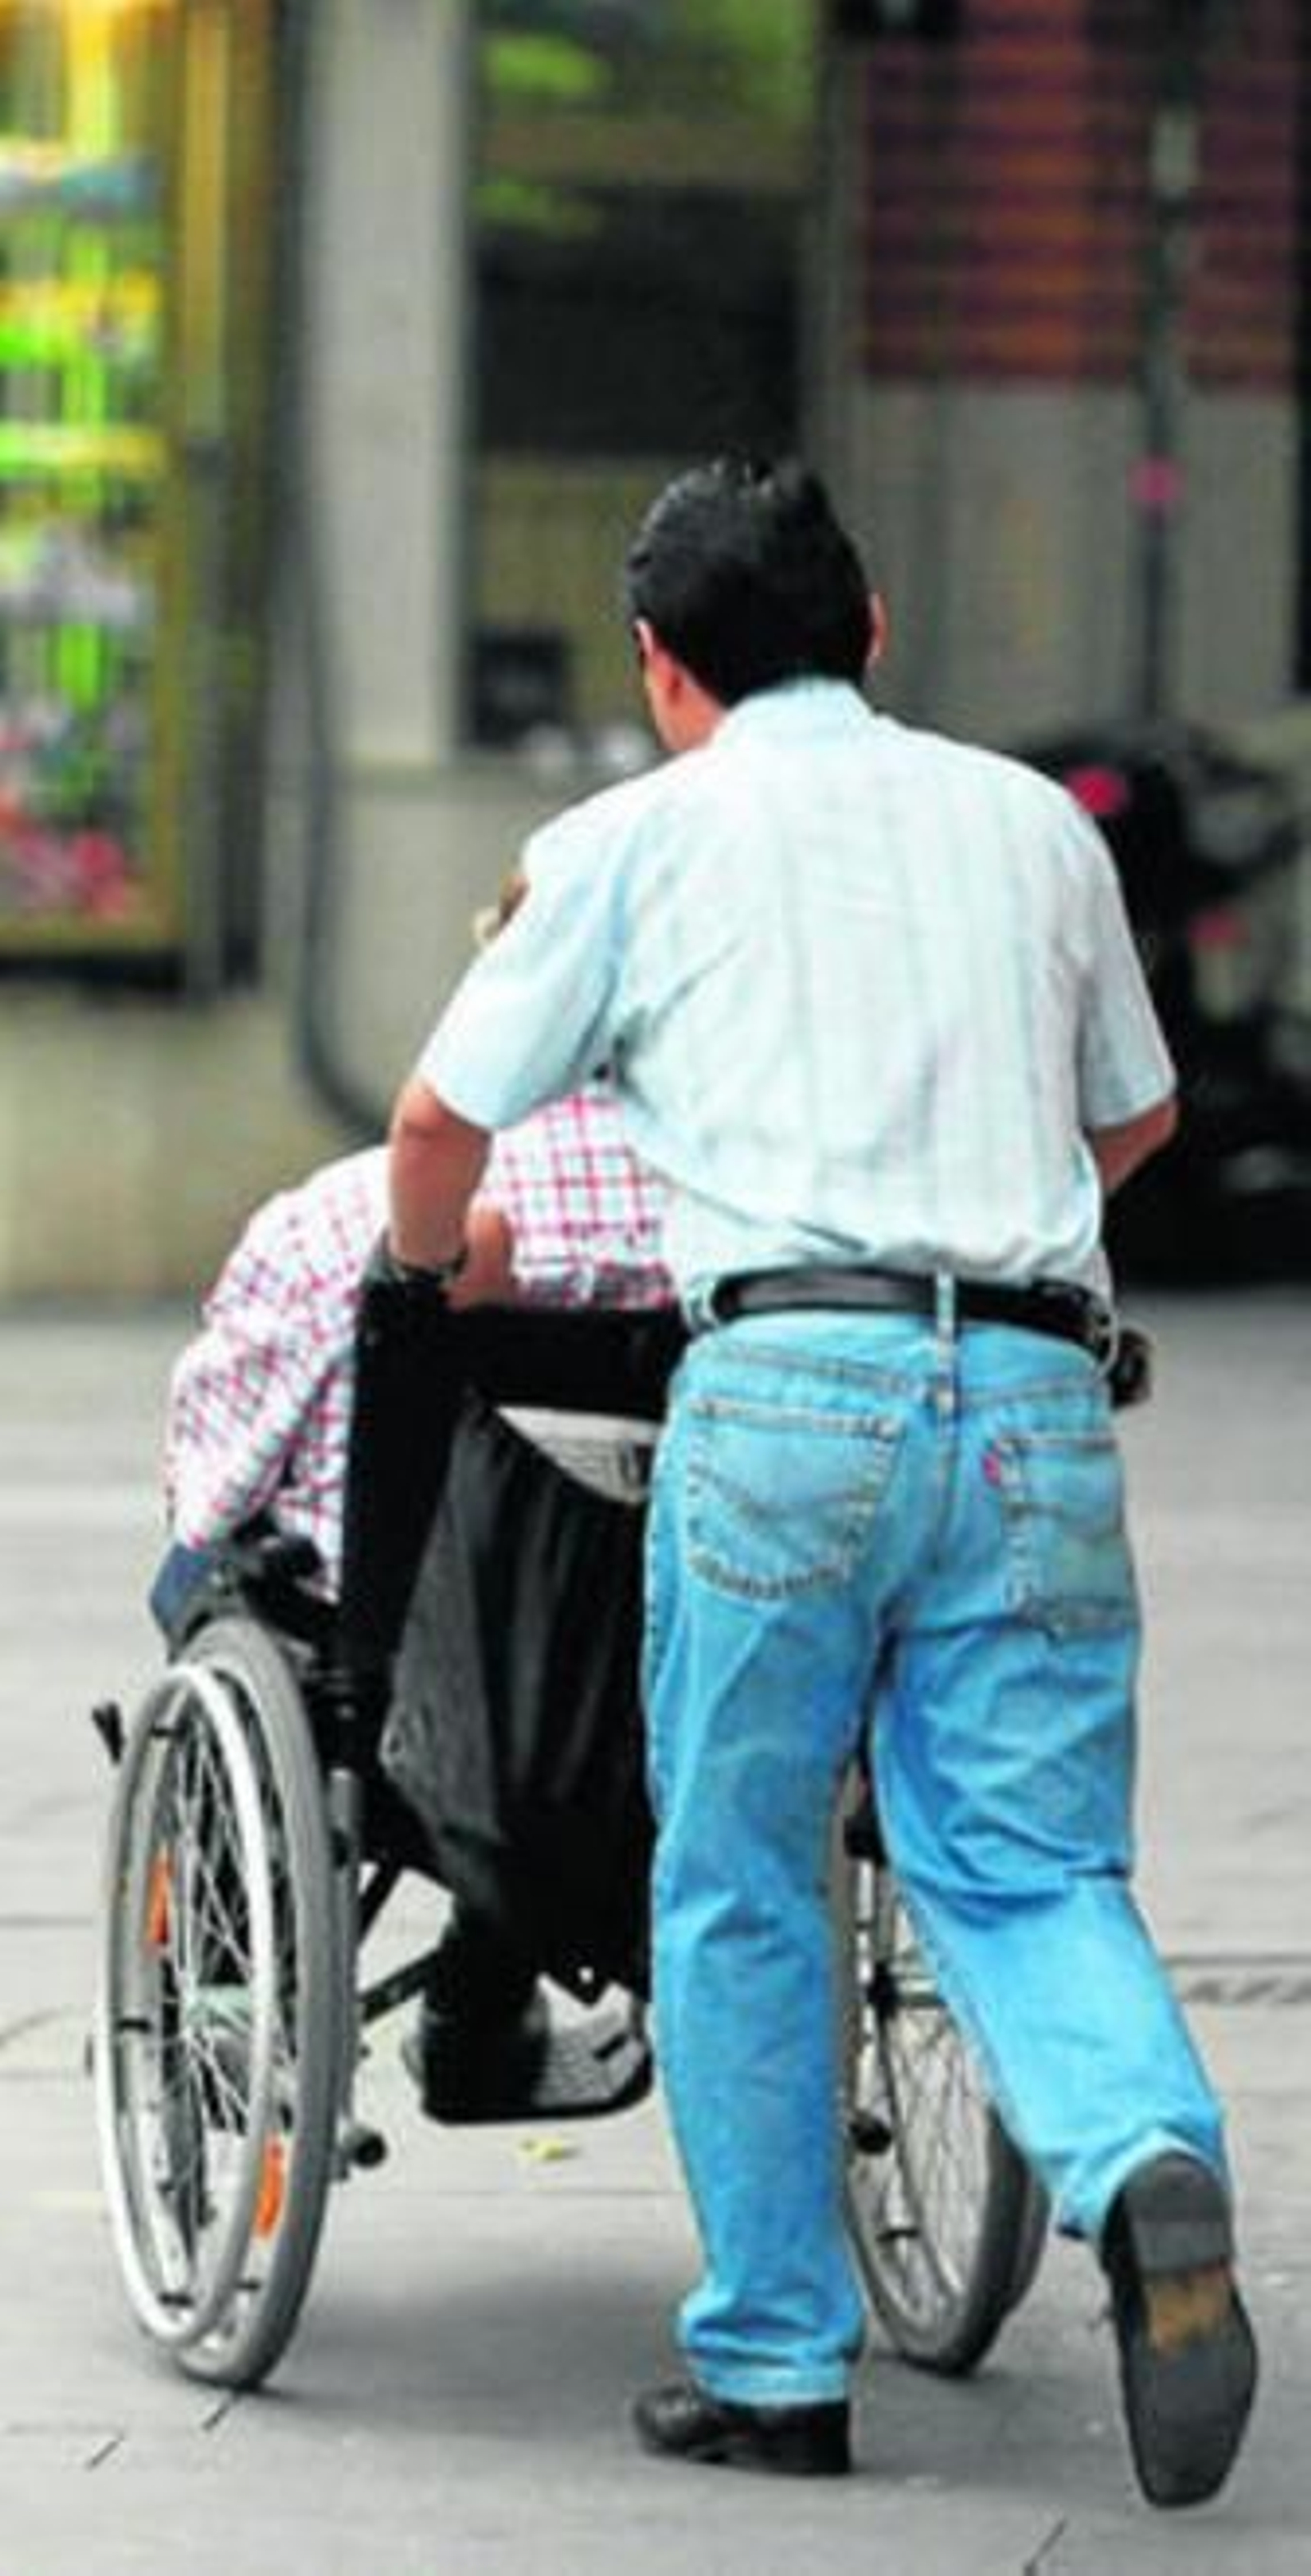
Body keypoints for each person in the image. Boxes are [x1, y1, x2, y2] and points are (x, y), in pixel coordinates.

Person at [383, 458, 1257, 2503]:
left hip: (780, 1387)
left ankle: (776, 2361)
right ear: (871, 627)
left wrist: (429, 1278)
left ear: (656, 665)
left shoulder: (628, 839)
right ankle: (1142, 2159)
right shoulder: (1027, 823)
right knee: (1024, 1863)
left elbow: (435, 1124)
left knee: (738, 1870)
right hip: (1029, 1389)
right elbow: (1131, 1119)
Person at [155, 1081, 672, 2125]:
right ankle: (481, 2000)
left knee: (210, 1582)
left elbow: (217, 1486)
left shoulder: (337, 1221)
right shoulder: (767, 1231)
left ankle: (228, 1980)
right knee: (551, 1661)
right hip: (658, 1687)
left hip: (393, 1685)